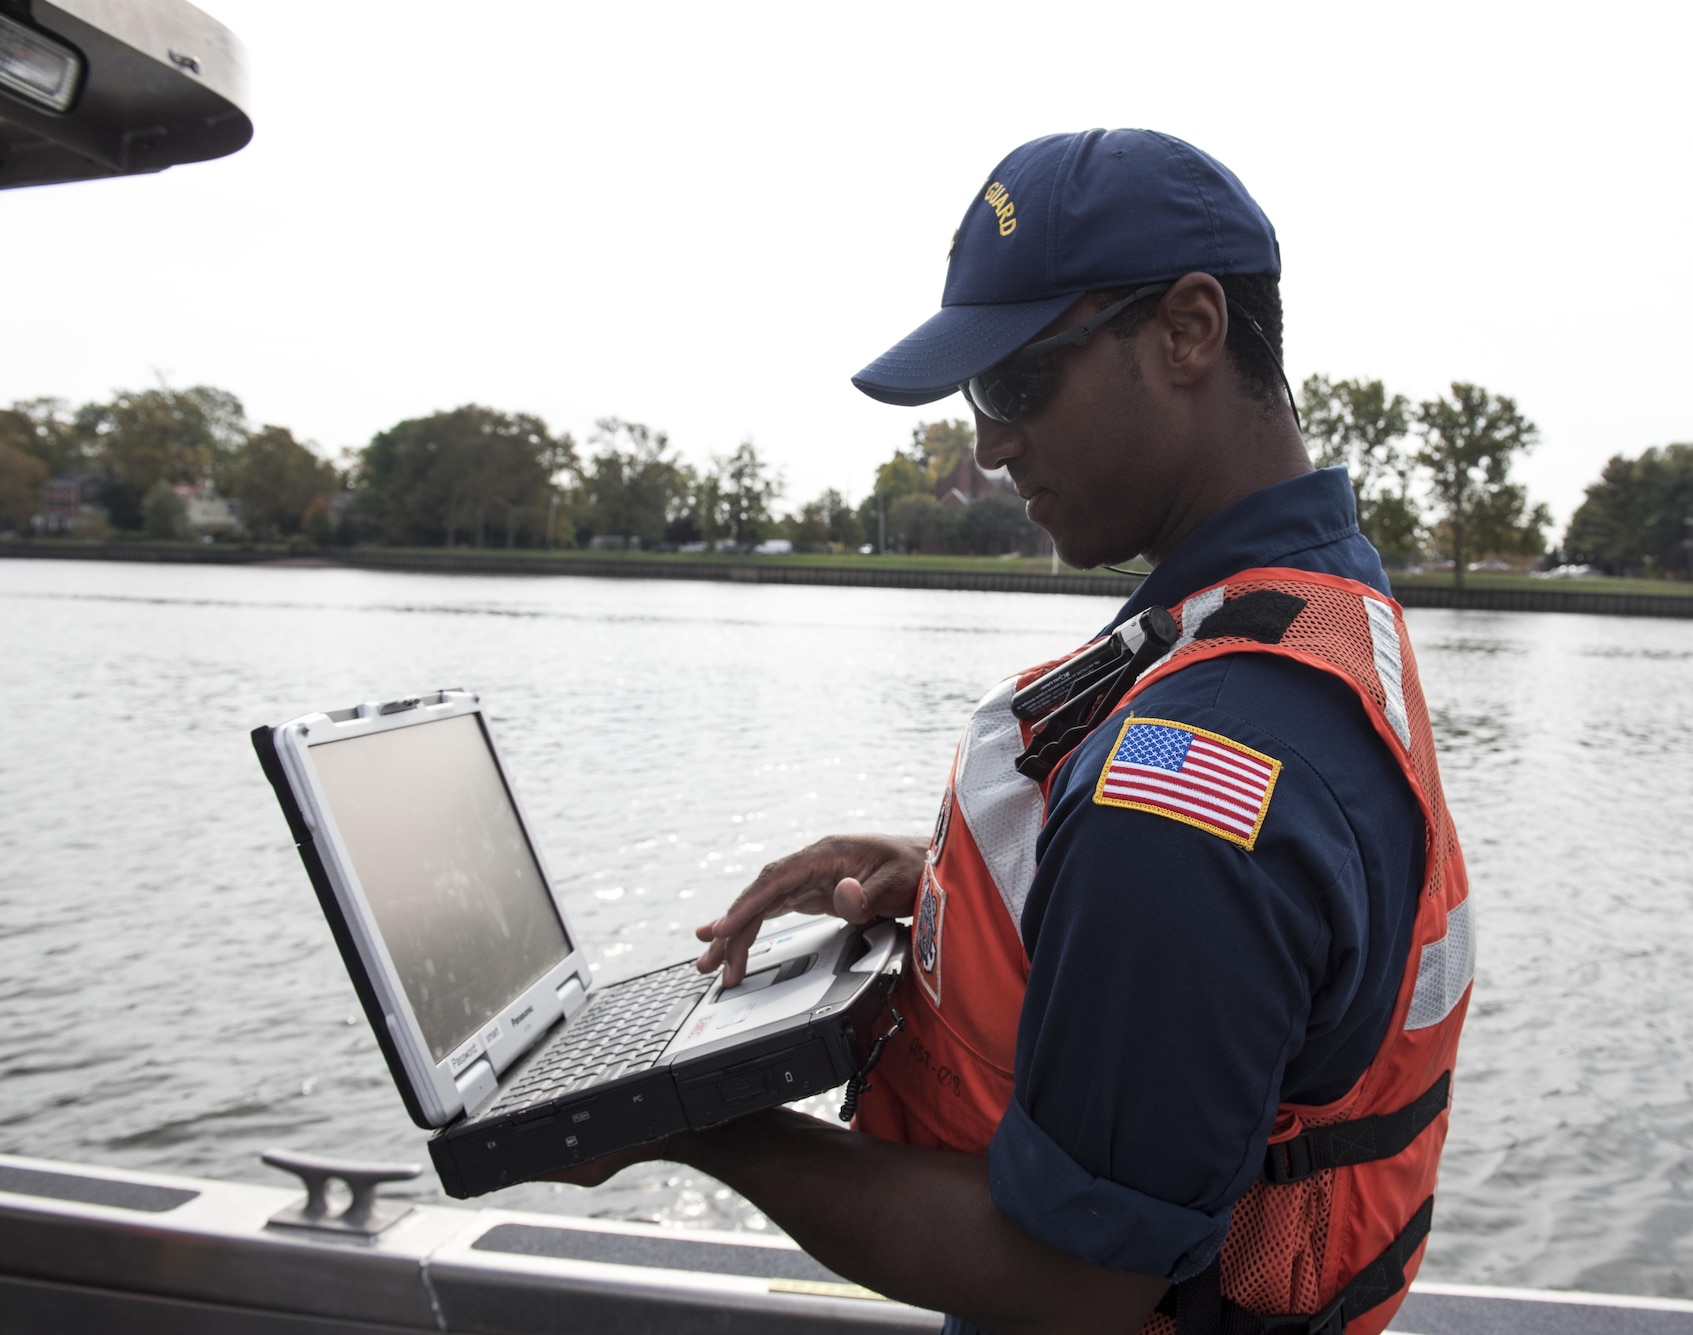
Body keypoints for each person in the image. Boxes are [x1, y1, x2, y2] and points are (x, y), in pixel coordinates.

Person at [554, 128, 1473, 1335]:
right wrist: (967, 890)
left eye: (1014, 383)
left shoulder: (1192, 780)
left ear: (1190, 330)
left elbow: (1070, 1286)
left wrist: (690, 1116)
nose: (986, 443)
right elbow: (1273, 944)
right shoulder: (1322, 608)